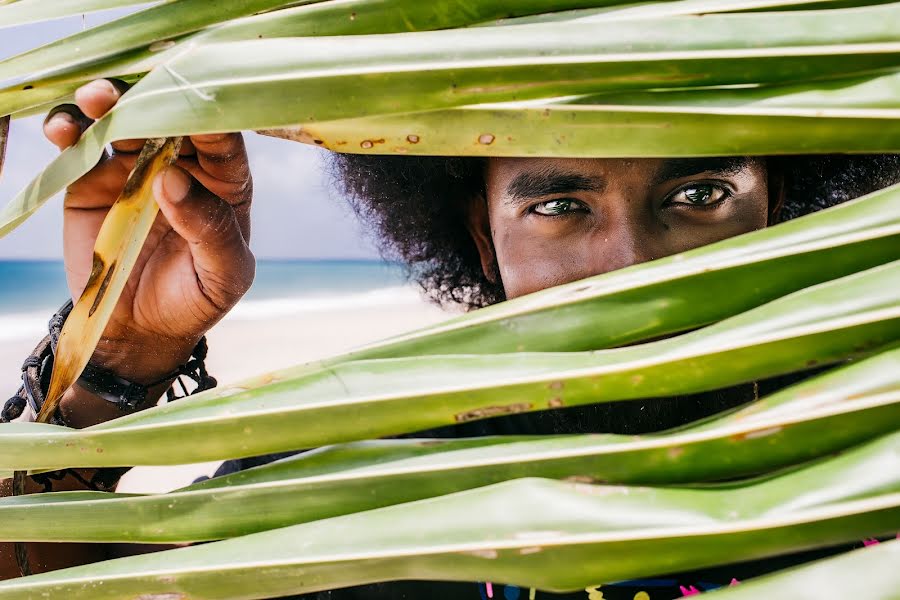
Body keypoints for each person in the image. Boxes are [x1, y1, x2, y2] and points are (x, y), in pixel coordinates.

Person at [0, 79, 897, 598]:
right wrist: (118, 356)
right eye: (559, 207)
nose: (633, 265)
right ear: (480, 236)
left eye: (699, 195)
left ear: (777, 204)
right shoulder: (367, 481)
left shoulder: (876, 437)